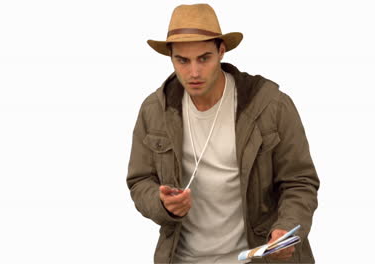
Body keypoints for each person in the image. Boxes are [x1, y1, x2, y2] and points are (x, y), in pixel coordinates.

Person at [126, 4, 319, 264]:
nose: (193, 72)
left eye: (204, 58)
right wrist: (161, 204)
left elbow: (299, 181)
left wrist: (287, 228)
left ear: (221, 51)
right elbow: (139, 181)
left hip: (257, 259)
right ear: (171, 58)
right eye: (182, 60)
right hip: (182, 259)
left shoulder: (270, 105)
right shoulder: (155, 110)